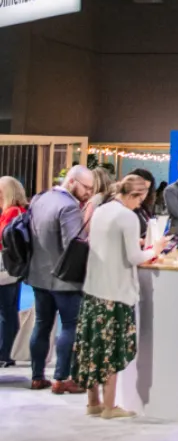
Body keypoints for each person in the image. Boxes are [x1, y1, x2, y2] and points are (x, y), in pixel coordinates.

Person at [73, 174, 171, 419]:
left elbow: (106, 243)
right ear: (133, 195)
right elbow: (134, 258)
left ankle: (93, 402)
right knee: (111, 350)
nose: (140, 205)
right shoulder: (127, 216)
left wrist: (137, 243)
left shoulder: (102, 209)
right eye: (140, 200)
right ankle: (109, 406)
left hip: (93, 288)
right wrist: (155, 248)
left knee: (93, 348)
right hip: (115, 292)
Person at [28, 164, 95, 393]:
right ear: (72, 181)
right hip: (64, 278)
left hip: (38, 274)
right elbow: (74, 245)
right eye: (86, 187)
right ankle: (61, 378)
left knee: (42, 325)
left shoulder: (40, 198)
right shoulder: (69, 207)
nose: (89, 192)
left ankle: (37, 376)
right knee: (70, 326)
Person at [0, 175, 29, 368]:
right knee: (8, 311)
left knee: (6, 312)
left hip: (6, 268)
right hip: (10, 269)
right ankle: (6, 352)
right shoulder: (18, 212)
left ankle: (4, 353)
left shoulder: (12, 213)